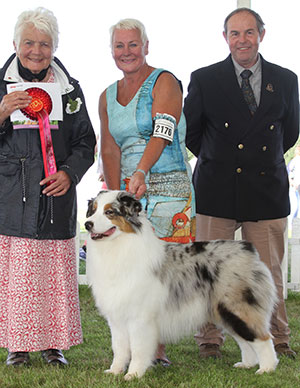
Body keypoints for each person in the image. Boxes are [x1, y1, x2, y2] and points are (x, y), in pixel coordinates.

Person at [184, 7, 299, 359]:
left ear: (261, 35)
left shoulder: (285, 78)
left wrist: (258, 160)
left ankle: (278, 338)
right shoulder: (204, 78)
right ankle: (209, 341)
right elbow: (192, 134)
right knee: (208, 270)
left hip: (266, 189)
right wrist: (222, 160)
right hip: (217, 186)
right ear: (225, 38)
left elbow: (290, 131)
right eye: (235, 34)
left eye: (249, 33)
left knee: (269, 271)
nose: (242, 40)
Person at [0, 7, 96, 366]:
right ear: (15, 44)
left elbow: (86, 141)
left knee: (53, 272)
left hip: (57, 195)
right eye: (29, 42)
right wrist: (1, 111)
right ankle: (17, 346)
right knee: (18, 276)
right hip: (10, 195)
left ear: (55, 46)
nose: (36, 51)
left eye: (44, 43)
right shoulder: (0, 86)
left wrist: (70, 173)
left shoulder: (71, 89)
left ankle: (53, 344)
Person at [99, 18, 196, 364]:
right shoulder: (107, 96)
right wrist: (112, 195)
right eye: (119, 46)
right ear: (112, 51)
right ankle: (141, 347)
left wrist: (142, 169)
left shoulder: (165, 81)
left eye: (133, 44)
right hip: (129, 197)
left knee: (164, 272)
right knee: (131, 272)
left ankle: (157, 349)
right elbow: (109, 149)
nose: (126, 52)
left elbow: (163, 129)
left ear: (146, 46)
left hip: (168, 190)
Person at [287, 145, 300, 230]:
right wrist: (292, 182)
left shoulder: (295, 160)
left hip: (296, 186)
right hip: (295, 187)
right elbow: (289, 171)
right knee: (294, 208)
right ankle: (292, 227)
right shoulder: (296, 161)